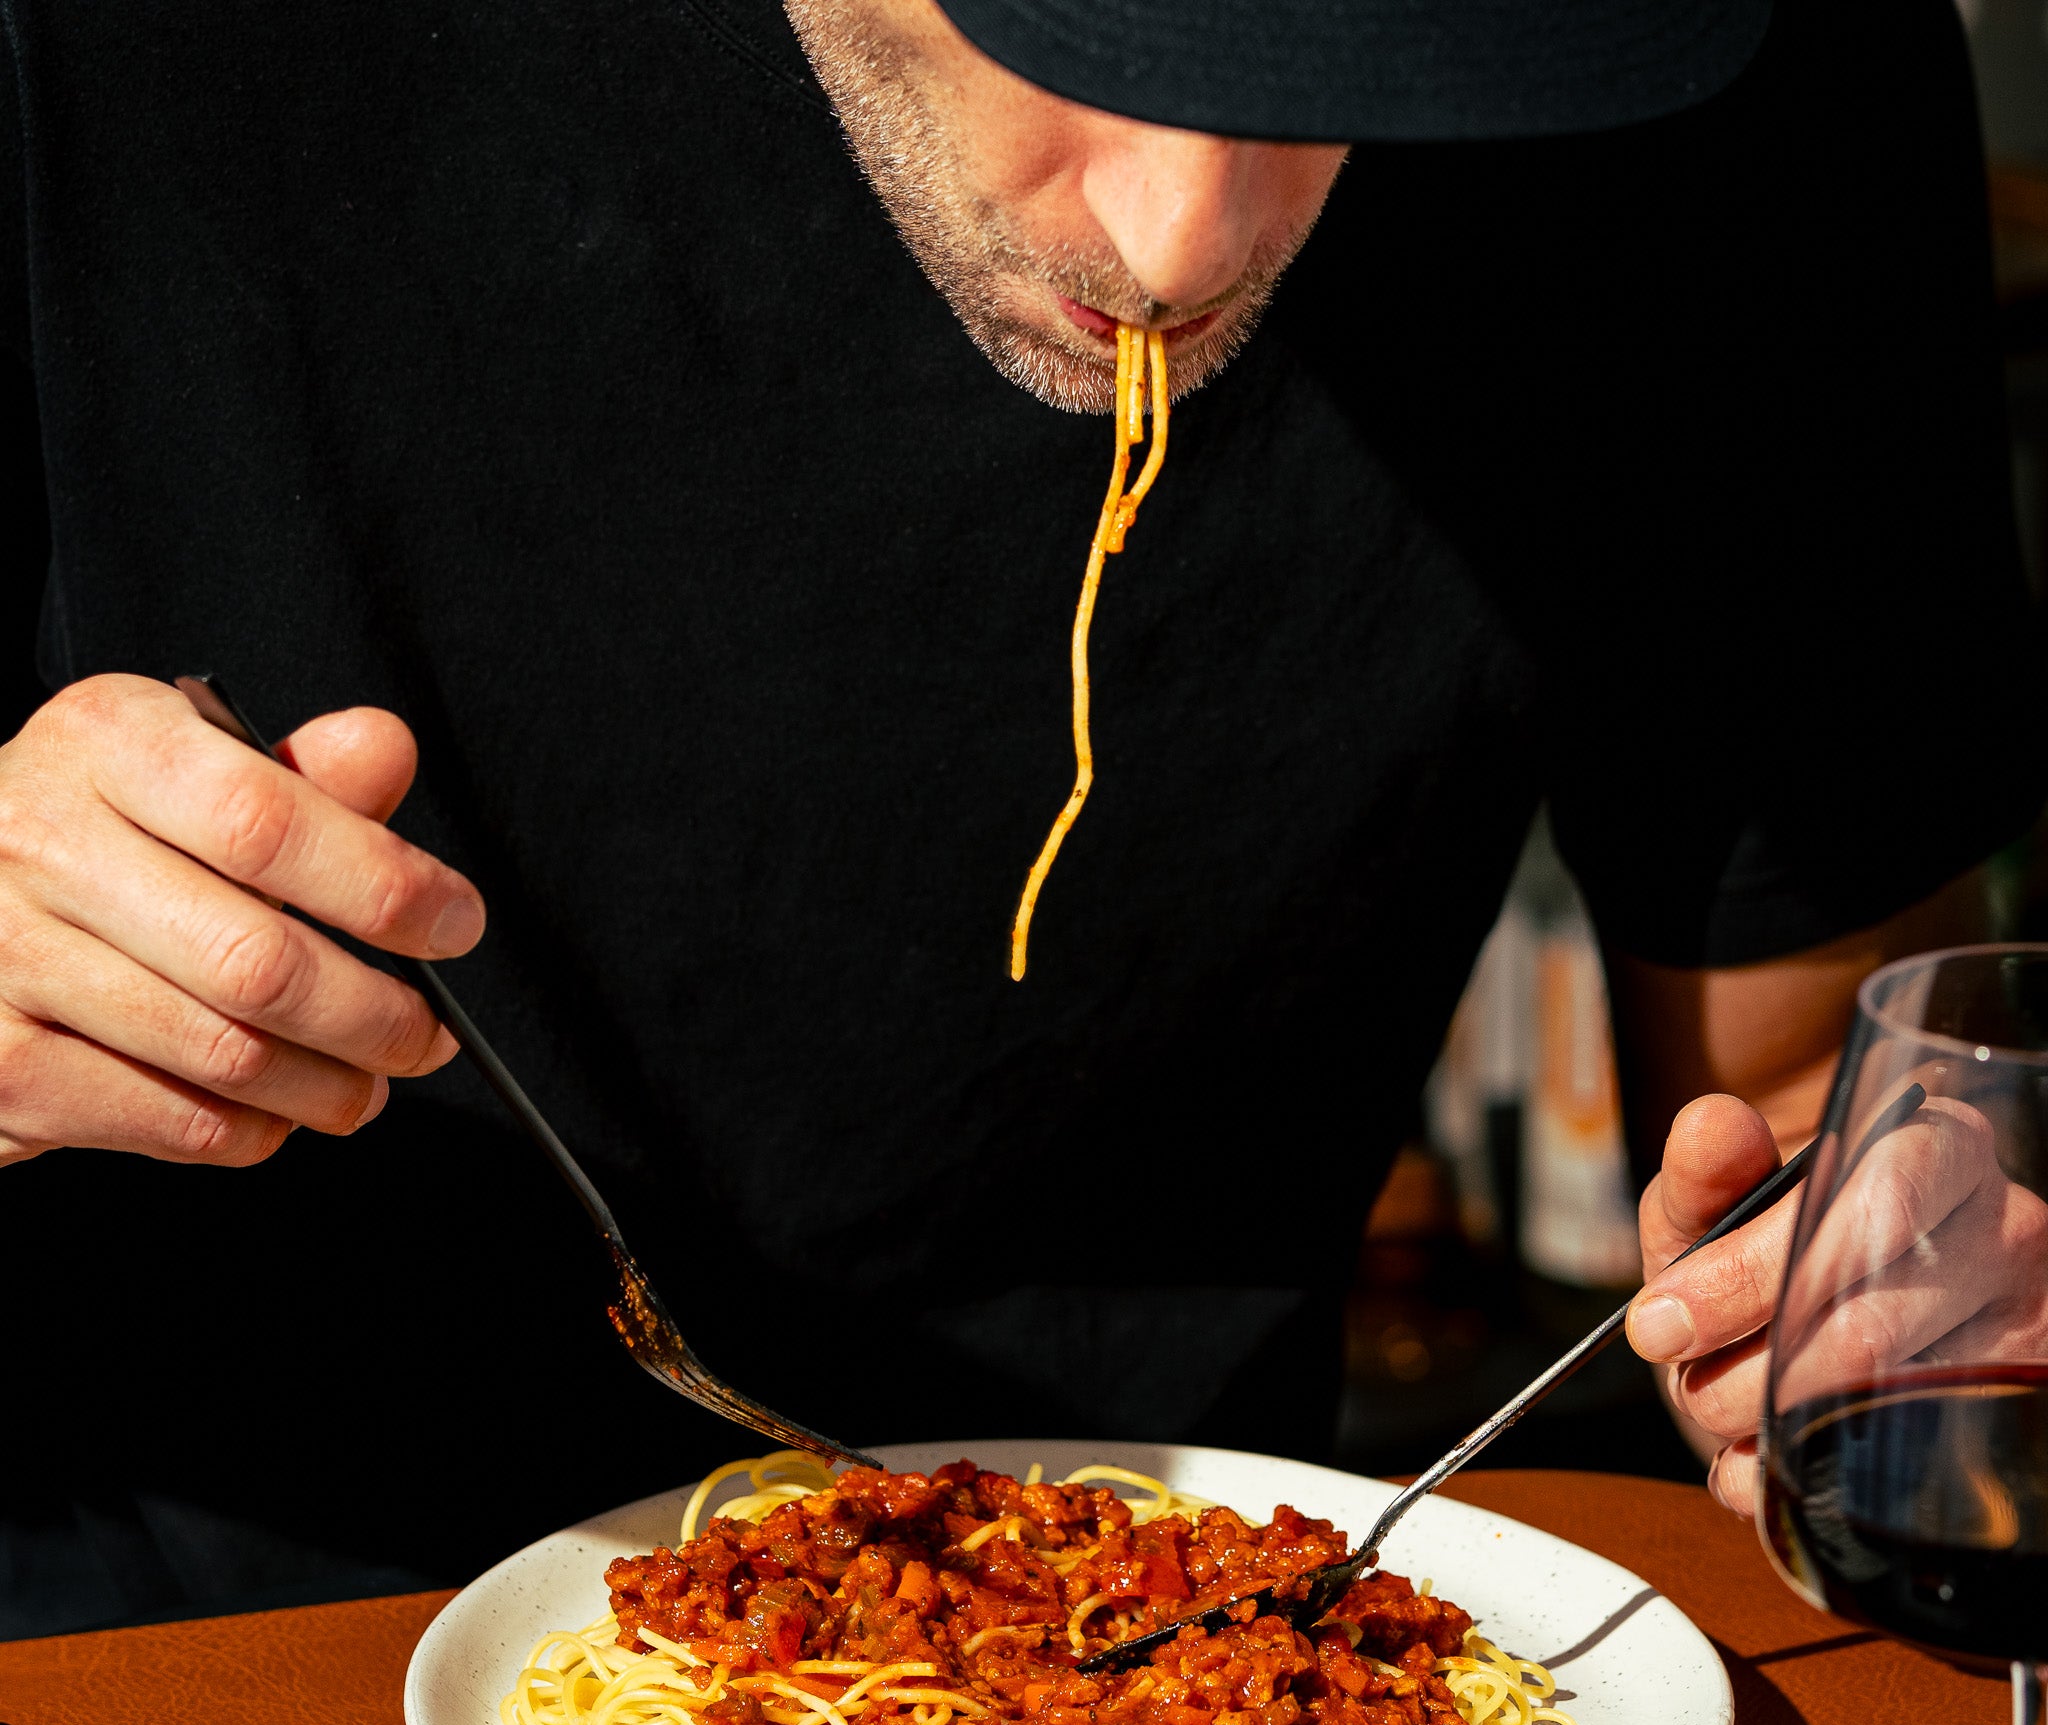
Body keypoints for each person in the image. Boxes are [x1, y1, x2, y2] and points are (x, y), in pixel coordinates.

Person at [0, 0, 2039, 1631]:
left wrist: (1883, 1270)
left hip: (1214, 1671)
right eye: (1081, 36)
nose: (1178, 242)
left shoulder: (1740, 69)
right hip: (169, 1660)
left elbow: (1813, 1082)